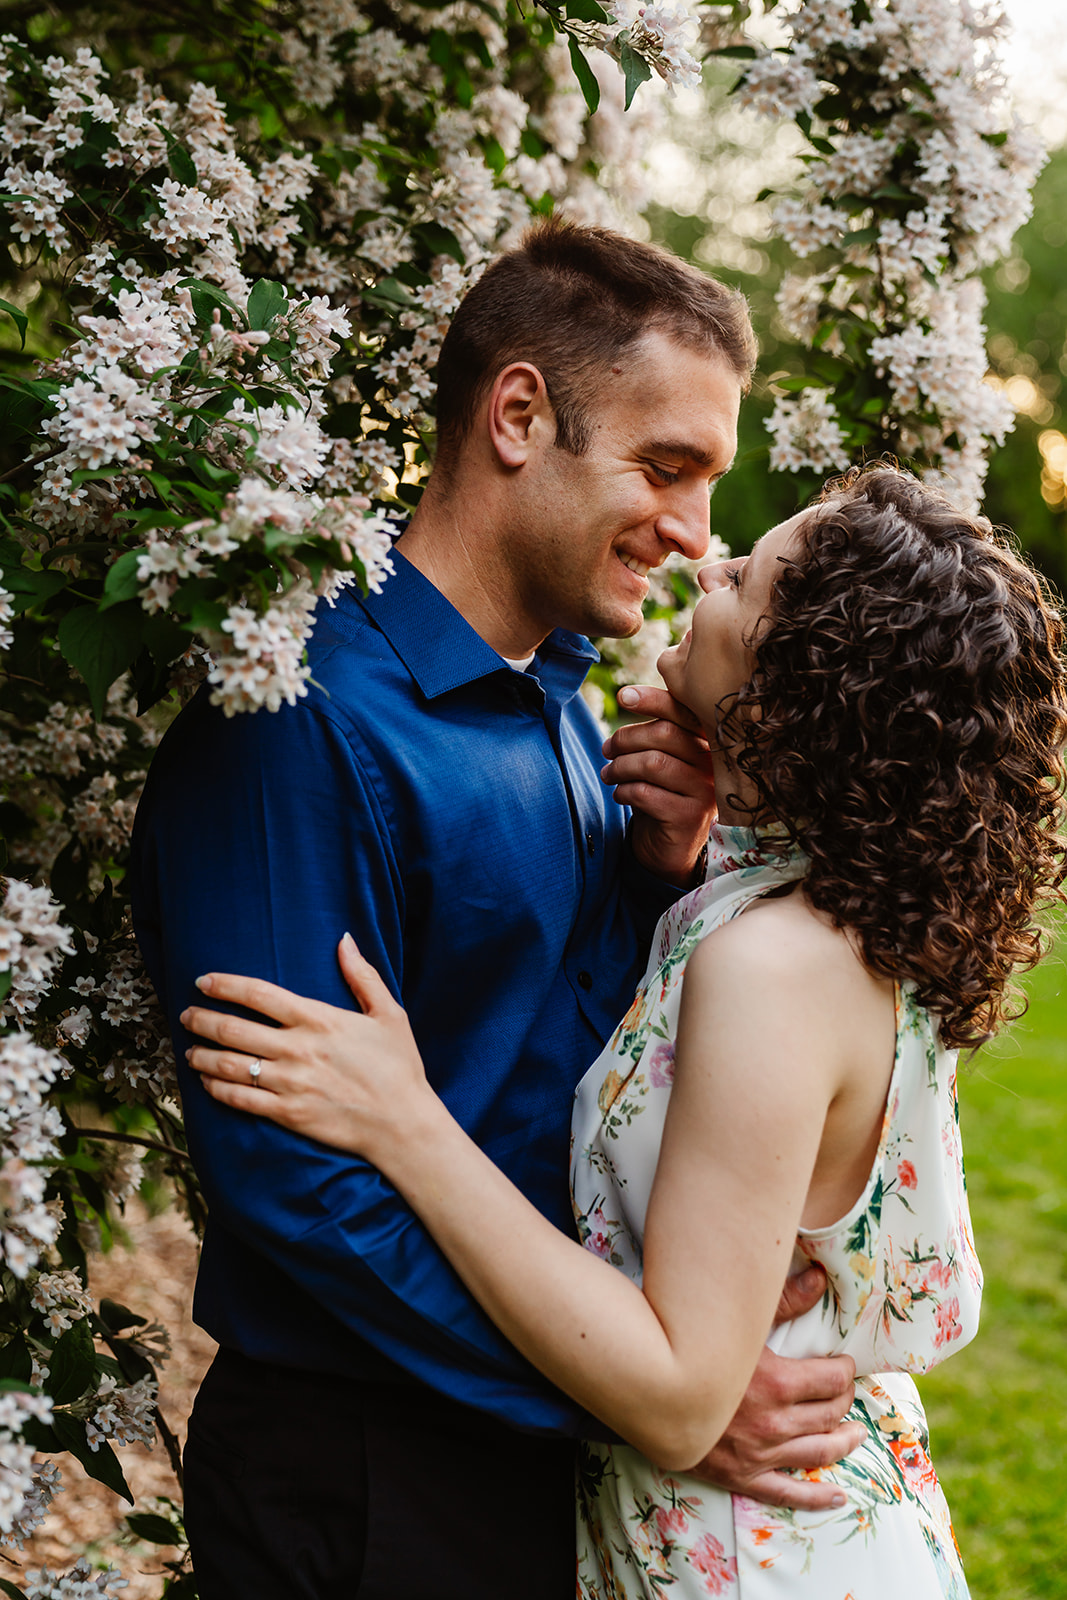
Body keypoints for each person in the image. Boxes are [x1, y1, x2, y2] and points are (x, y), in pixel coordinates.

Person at [129, 219, 862, 1600]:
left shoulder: (562, 704)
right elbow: (302, 1187)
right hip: (368, 1475)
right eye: (665, 467)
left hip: (530, 1434)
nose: (696, 532)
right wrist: (646, 1398)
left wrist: (657, 873)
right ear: (517, 415)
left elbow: (549, 1036)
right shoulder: (296, 725)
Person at [182, 464, 1067, 1598]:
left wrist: (406, 1122)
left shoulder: (773, 965)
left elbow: (681, 1393)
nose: (706, 559)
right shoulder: (823, 907)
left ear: (788, 692)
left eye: (744, 577)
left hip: (752, 1556)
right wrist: (685, 842)